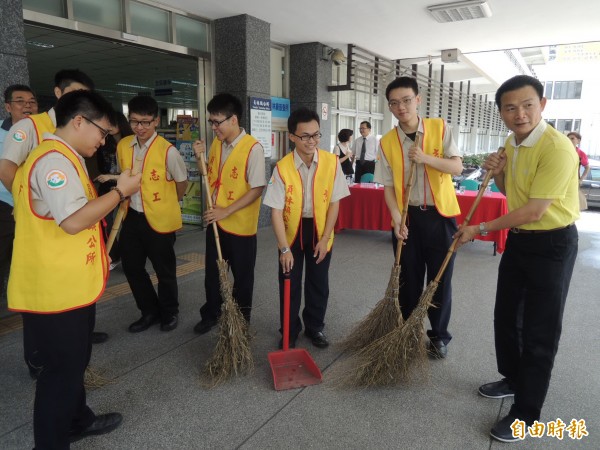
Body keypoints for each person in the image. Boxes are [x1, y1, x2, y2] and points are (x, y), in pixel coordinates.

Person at [8, 89, 141, 449]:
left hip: (71, 284)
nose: (103, 141)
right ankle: (52, 441)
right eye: (101, 132)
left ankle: (77, 419)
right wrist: (119, 193)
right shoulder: (53, 161)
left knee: (74, 363)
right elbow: (71, 221)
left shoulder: (65, 156)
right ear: (79, 121)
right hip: (55, 291)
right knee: (60, 375)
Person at [455, 75, 579, 443]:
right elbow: (514, 194)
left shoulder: (556, 148)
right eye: (510, 107)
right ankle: (513, 378)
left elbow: (535, 211)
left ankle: (527, 413)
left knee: (541, 331)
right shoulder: (513, 140)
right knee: (507, 317)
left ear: (542, 105)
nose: (519, 113)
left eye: (527, 105)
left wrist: (480, 228)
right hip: (521, 243)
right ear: (502, 112)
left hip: (552, 244)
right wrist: (501, 172)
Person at [0, 71, 110, 357]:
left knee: (72, 331)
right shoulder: (30, 130)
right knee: (45, 309)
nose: (102, 141)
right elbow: (8, 169)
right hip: (41, 233)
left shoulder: (71, 144)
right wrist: (29, 206)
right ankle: (38, 358)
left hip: (68, 244)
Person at [374, 76, 463, 359]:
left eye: (406, 101)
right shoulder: (387, 142)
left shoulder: (439, 127)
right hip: (407, 218)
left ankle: (438, 336)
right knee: (408, 280)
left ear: (418, 100)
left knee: (439, 280)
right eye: (394, 103)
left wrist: (426, 159)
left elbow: (457, 167)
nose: (401, 107)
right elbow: (388, 186)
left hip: (441, 216)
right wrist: (396, 218)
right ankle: (407, 332)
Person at [264, 107, 350, 348]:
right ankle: (289, 331)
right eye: (305, 136)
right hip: (291, 232)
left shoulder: (332, 163)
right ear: (292, 137)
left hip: (321, 230)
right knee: (289, 280)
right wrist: (283, 249)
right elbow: (276, 211)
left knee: (318, 282)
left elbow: (335, 204)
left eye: (316, 135)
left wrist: (325, 239)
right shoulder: (281, 168)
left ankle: (315, 327)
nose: (312, 141)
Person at [193, 93, 266, 334]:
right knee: (213, 274)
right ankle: (211, 312)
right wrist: (199, 158)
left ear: (233, 119)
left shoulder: (252, 148)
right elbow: (210, 176)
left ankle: (241, 320)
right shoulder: (217, 144)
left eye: (217, 122)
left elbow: (257, 189)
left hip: (241, 227)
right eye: (211, 122)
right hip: (217, 222)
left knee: (242, 278)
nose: (213, 127)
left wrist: (227, 210)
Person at [117, 95, 188, 333]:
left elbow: (182, 183)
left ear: (156, 121)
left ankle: (169, 311)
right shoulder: (123, 145)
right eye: (135, 122)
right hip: (131, 216)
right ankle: (149, 311)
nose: (141, 127)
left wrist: (169, 202)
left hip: (160, 219)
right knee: (132, 268)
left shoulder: (168, 151)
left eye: (146, 122)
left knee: (164, 270)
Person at [0, 85, 38, 300]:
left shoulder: (45, 132)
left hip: (35, 209)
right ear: (8, 106)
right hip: (4, 207)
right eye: (20, 101)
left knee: (34, 265)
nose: (27, 106)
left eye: (32, 101)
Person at [95, 112, 134, 270]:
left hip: (128, 187)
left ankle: (130, 259)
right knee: (107, 222)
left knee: (127, 225)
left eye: (113, 124)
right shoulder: (104, 143)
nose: (109, 128)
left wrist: (112, 177)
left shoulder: (131, 142)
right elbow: (99, 164)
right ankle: (115, 254)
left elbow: (133, 171)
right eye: (107, 124)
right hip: (107, 186)